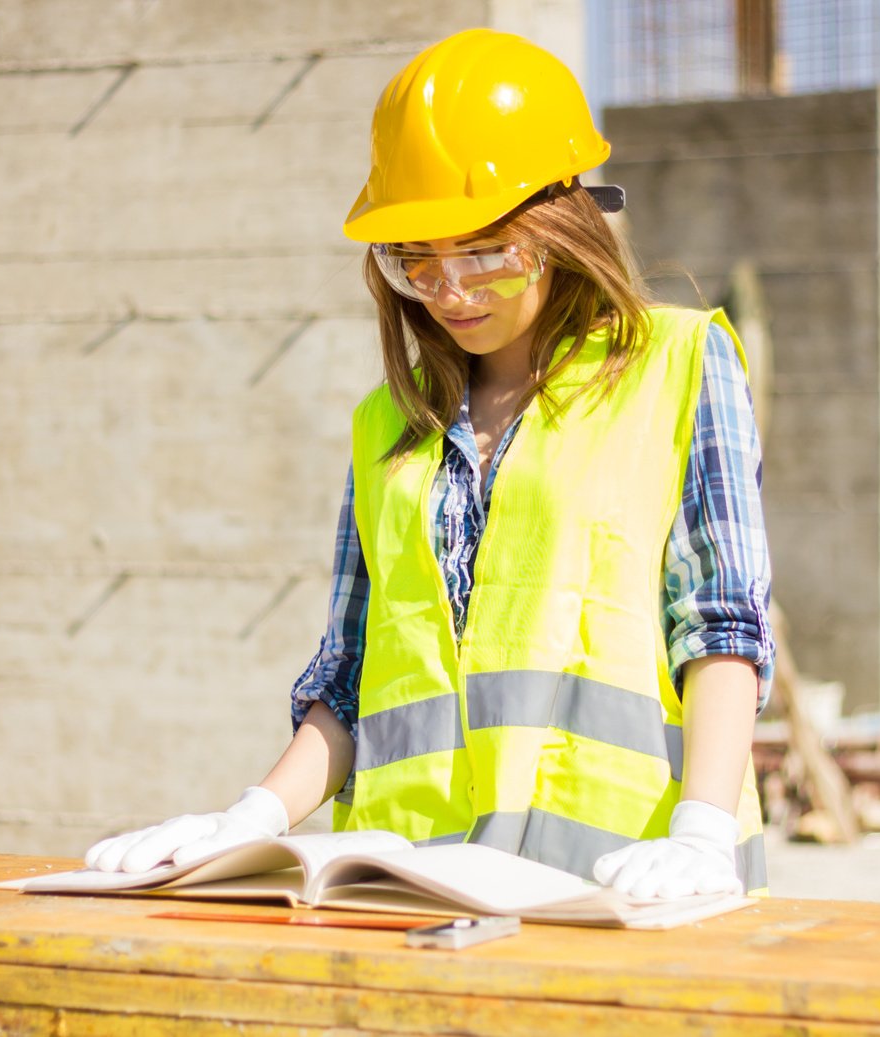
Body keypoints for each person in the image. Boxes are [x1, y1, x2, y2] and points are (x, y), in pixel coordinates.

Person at [87, 28, 775, 899]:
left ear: (562, 226)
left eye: (484, 252)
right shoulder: (387, 425)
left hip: (626, 884)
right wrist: (249, 819)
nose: (449, 292)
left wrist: (703, 831)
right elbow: (352, 672)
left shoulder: (677, 367)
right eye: (417, 260)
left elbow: (721, 622)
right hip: (412, 890)